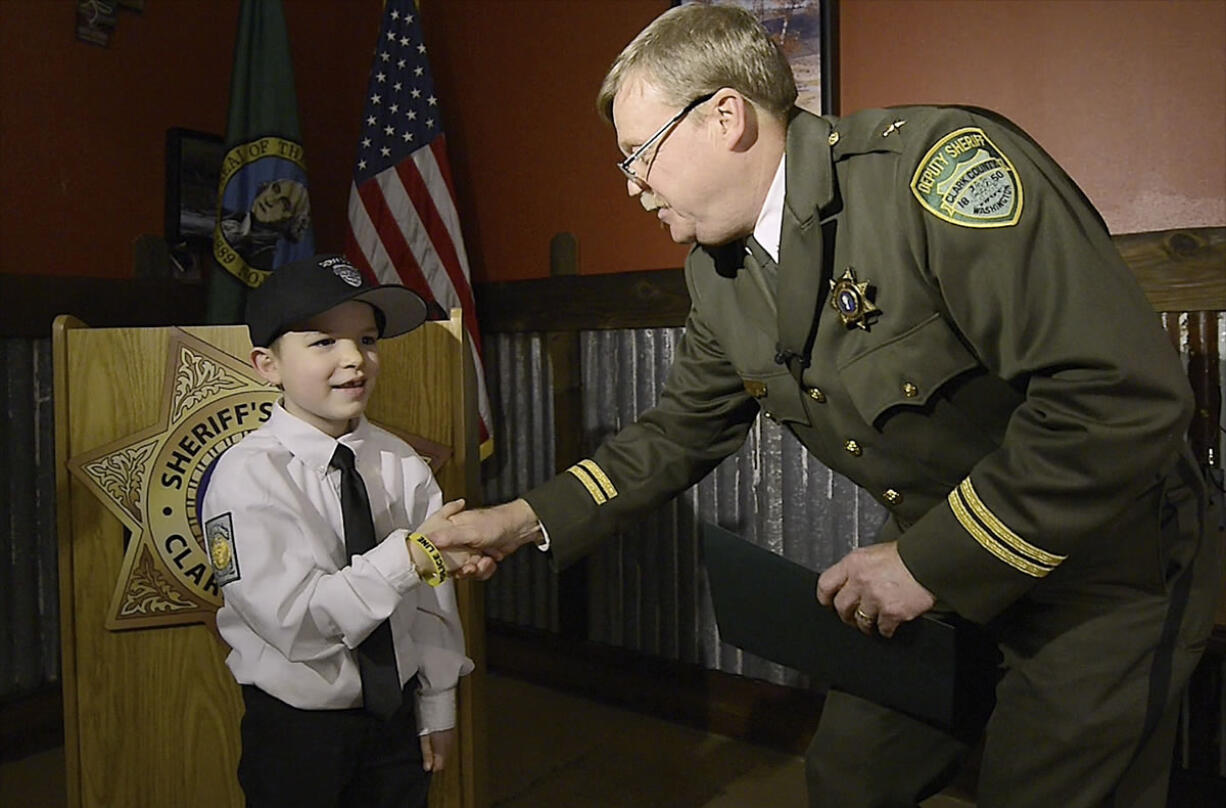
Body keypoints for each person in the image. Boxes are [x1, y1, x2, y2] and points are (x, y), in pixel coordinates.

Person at [438, 4, 1223, 806]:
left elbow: (1116, 400)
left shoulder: (931, 174)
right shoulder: (721, 271)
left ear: (726, 116)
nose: (634, 187)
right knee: (850, 775)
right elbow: (677, 432)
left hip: (1106, 556)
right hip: (939, 542)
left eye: (639, 154)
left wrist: (925, 562)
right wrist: (521, 519)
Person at [201, 253, 478, 808]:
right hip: (298, 732)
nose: (354, 358)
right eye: (323, 341)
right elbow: (296, 625)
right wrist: (408, 557)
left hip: (396, 718)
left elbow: (431, 604)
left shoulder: (400, 464)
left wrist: (438, 704)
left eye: (368, 339)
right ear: (267, 365)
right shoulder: (247, 475)